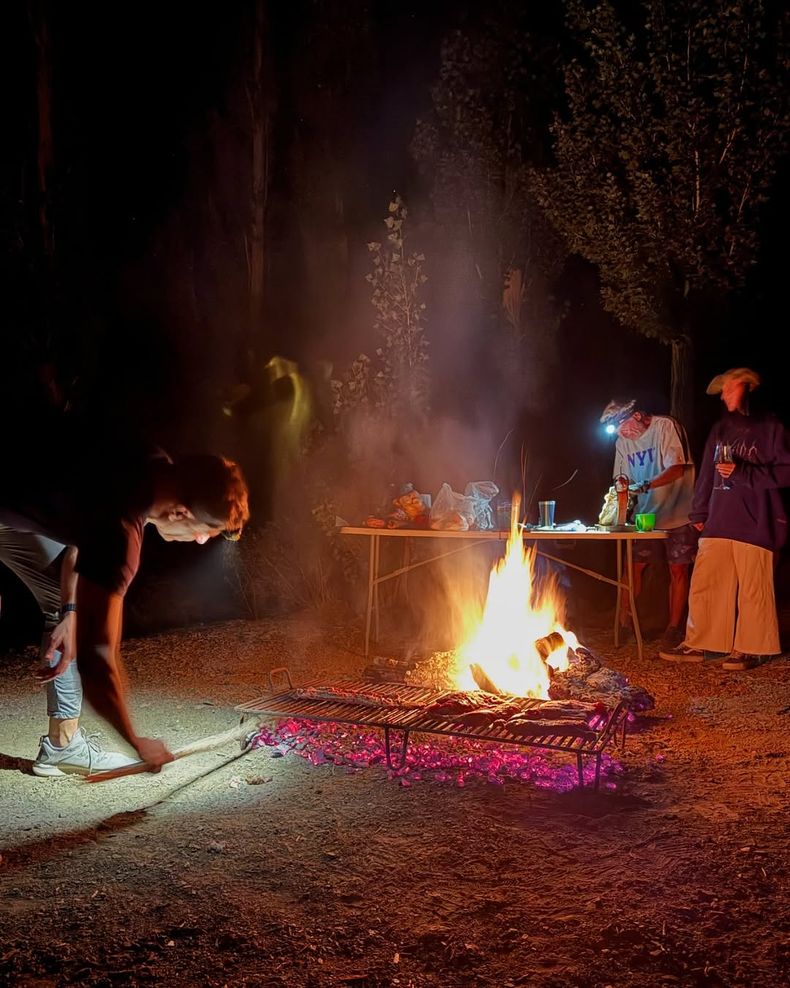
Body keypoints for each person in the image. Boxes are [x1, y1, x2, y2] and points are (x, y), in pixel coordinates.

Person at [1, 441, 250, 772]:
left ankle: (64, 745)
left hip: (14, 509)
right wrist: (136, 743)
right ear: (180, 513)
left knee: (58, 602)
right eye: (205, 532)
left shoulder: (149, 461)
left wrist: (70, 612)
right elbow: (96, 662)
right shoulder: (121, 532)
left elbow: (80, 542)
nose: (202, 541)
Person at [660, 368, 789, 670]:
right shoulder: (720, 429)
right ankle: (703, 643)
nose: (724, 394)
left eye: (730, 388)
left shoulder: (771, 427)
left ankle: (751, 647)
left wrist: (745, 473)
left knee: (754, 587)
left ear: (748, 387)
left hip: (756, 520)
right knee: (707, 582)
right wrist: (699, 510)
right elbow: (707, 471)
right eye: (723, 391)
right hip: (719, 517)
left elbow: (785, 471)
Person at [0, 528, 138, 776]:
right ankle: (63, 744)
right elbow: (80, 548)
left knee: (65, 598)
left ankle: (63, 744)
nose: (201, 539)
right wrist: (72, 611)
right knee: (64, 600)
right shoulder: (134, 503)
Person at [600, 398, 698, 645]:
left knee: (678, 569)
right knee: (633, 569)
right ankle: (624, 623)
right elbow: (621, 479)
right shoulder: (622, 443)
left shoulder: (665, 427)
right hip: (645, 516)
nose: (621, 433)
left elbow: (677, 467)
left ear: (636, 416)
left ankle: (674, 627)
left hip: (679, 511)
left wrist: (645, 485)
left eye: (622, 426)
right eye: (616, 431)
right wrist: (617, 500)